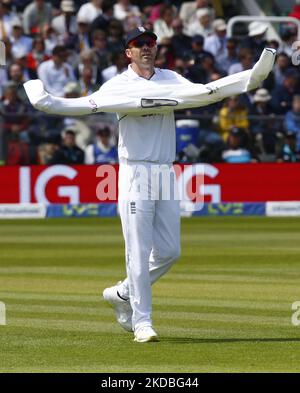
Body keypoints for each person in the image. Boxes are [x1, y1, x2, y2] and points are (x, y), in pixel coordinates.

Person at [24, 27, 275, 342]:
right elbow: (73, 105)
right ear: (128, 52)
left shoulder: (171, 79)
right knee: (138, 252)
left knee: (170, 251)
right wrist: (38, 94)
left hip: (165, 172)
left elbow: (207, 92)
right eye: (138, 44)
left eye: (150, 43)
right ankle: (142, 322)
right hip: (135, 172)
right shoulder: (117, 86)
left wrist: (253, 77)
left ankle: (122, 292)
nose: (146, 48)